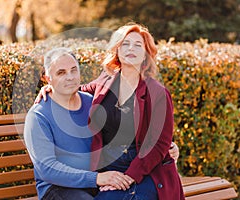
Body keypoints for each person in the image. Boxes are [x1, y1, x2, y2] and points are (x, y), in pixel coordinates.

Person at [35, 23, 184, 200]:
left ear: (146, 53)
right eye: (125, 43)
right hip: (109, 168)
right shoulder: (105, 81)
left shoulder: (158, 93)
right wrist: (52, 88)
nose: (131, 49)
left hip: (145, 170)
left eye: (138, 45)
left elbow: (159, 145)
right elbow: (77, 89)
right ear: (117, 50)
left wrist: (130, 177)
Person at [24, 47, 134, 200]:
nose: (70, 77)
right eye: (61, 73)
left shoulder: (93, 102)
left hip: (97, 182)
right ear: (48, 79)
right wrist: (96, 178)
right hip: (58, 189)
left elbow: (127, 131)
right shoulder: (39, 116)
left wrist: (166, 147)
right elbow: (47, 169)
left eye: (73, 70)